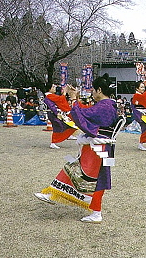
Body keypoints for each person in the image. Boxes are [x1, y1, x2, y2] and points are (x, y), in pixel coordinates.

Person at [34, 73, 122, 223]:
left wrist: (74, 99)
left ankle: (57, 195)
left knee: (76, 170)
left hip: (97, 148)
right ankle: (92, 210)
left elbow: (82, 117)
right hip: (103, 147)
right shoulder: (108, 105)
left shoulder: (105, 107)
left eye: (94, 90)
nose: (93, 93)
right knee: (95, 177)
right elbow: (84, 113)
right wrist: (76, 99)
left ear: (99, 90)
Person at [44, 84, 77, 149]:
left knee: (69, 124)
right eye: (53, 87)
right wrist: (64, 92)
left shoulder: (51, 96)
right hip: (54, 114)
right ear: (49, 89)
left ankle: (67, 136)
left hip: (56, 113)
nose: (54, 88)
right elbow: (58, 102)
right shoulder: (49, 96)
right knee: (58, 127)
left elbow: (59, 100)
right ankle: (53, 142)